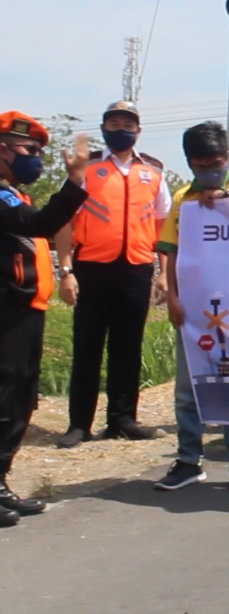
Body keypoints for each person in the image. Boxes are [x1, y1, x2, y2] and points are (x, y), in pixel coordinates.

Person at [153, 122, 229, 492]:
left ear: (227, 157)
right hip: (194, 307)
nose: (209, 171)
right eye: (201, 166)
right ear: (190, 163)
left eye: (215, 164)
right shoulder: (183, 198)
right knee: (189, 388)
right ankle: (189, 460)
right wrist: (173, 297)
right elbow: (171, 253)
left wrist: (225, 201)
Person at [54, 101, 171, 448]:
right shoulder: (86, 167)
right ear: (104, 128)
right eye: (114, 123)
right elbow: (64, 222)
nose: (121, 129)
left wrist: (164, 273)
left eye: (128, 124)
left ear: (138, 130)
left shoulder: (153, 172)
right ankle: (79, 424)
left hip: (136, 269)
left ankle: (123, 419)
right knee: (87, 348)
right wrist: (66, 271)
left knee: (128, 348)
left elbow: (163, 227)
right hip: (92, 268)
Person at [0, 112, 88, 527]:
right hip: (6, 312)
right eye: (28, 149)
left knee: (20, 398)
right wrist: (74, 182)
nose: (35, 158)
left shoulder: (13, 194)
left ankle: (1, 481)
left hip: (25, 310)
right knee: (4, 398)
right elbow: (39, 225)